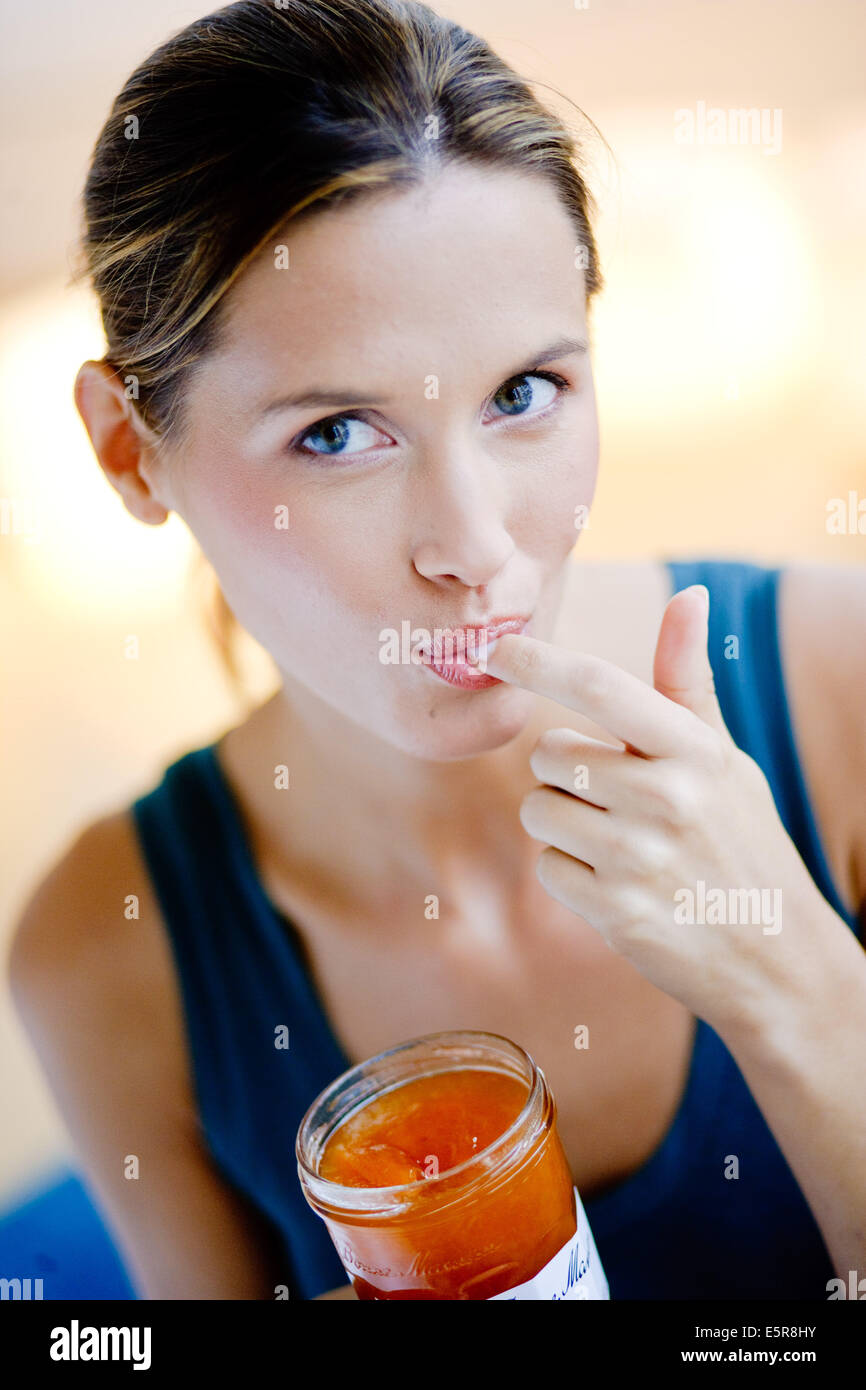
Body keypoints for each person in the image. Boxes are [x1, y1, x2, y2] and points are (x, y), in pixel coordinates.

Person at [8, 0, 865, 1301]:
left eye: (523, 395)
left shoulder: (837, 689)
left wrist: (793, 978)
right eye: (341, 432)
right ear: (131, 449)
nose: (471, 546)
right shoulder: (103, 950)